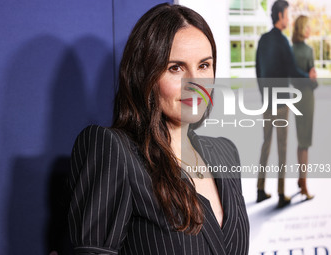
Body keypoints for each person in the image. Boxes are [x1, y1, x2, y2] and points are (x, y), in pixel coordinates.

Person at [67, 3, 249, 254]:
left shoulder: (225, 153)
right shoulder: (114, 150)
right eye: (176, 68)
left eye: (204, 65)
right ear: (146, 75)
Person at [255, 0, 317, 208]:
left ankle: (260, 189)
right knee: (281, 148)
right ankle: (282, 193)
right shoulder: (282, 42)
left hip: (267, 101)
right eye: (288, 15)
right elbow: (292, 70)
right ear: (280, 16)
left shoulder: (262, 40)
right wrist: (308, 79)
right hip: (281, 102)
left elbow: (258, 71)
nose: (289, 19)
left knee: (265, 144)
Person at [291, 15, 317, 200]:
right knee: (305, 143)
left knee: (301, 141)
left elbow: (291, 78)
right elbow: (312, 81)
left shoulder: (290, 50)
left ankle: (301, 179)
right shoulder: (308, 51)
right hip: (307, 98)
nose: (310, 29)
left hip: (295, 97)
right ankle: (304, 185)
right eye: (308, 26)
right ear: (302, 28)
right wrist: (312, 81)